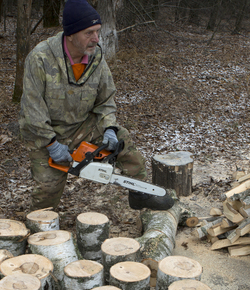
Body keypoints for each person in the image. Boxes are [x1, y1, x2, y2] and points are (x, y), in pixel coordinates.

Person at [18, 0, 174, 211]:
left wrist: (109, 128)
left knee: (122, 140)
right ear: (71, 33)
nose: (96, 39)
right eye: (89, 33)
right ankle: (40, 230)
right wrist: (51, 144)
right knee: (47, 192)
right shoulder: (41, 58)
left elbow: (106, 99)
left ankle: (140, 193)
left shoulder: (96, 57)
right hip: (46, 135)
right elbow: (32, 110)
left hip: (82, 126)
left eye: (97, 32)